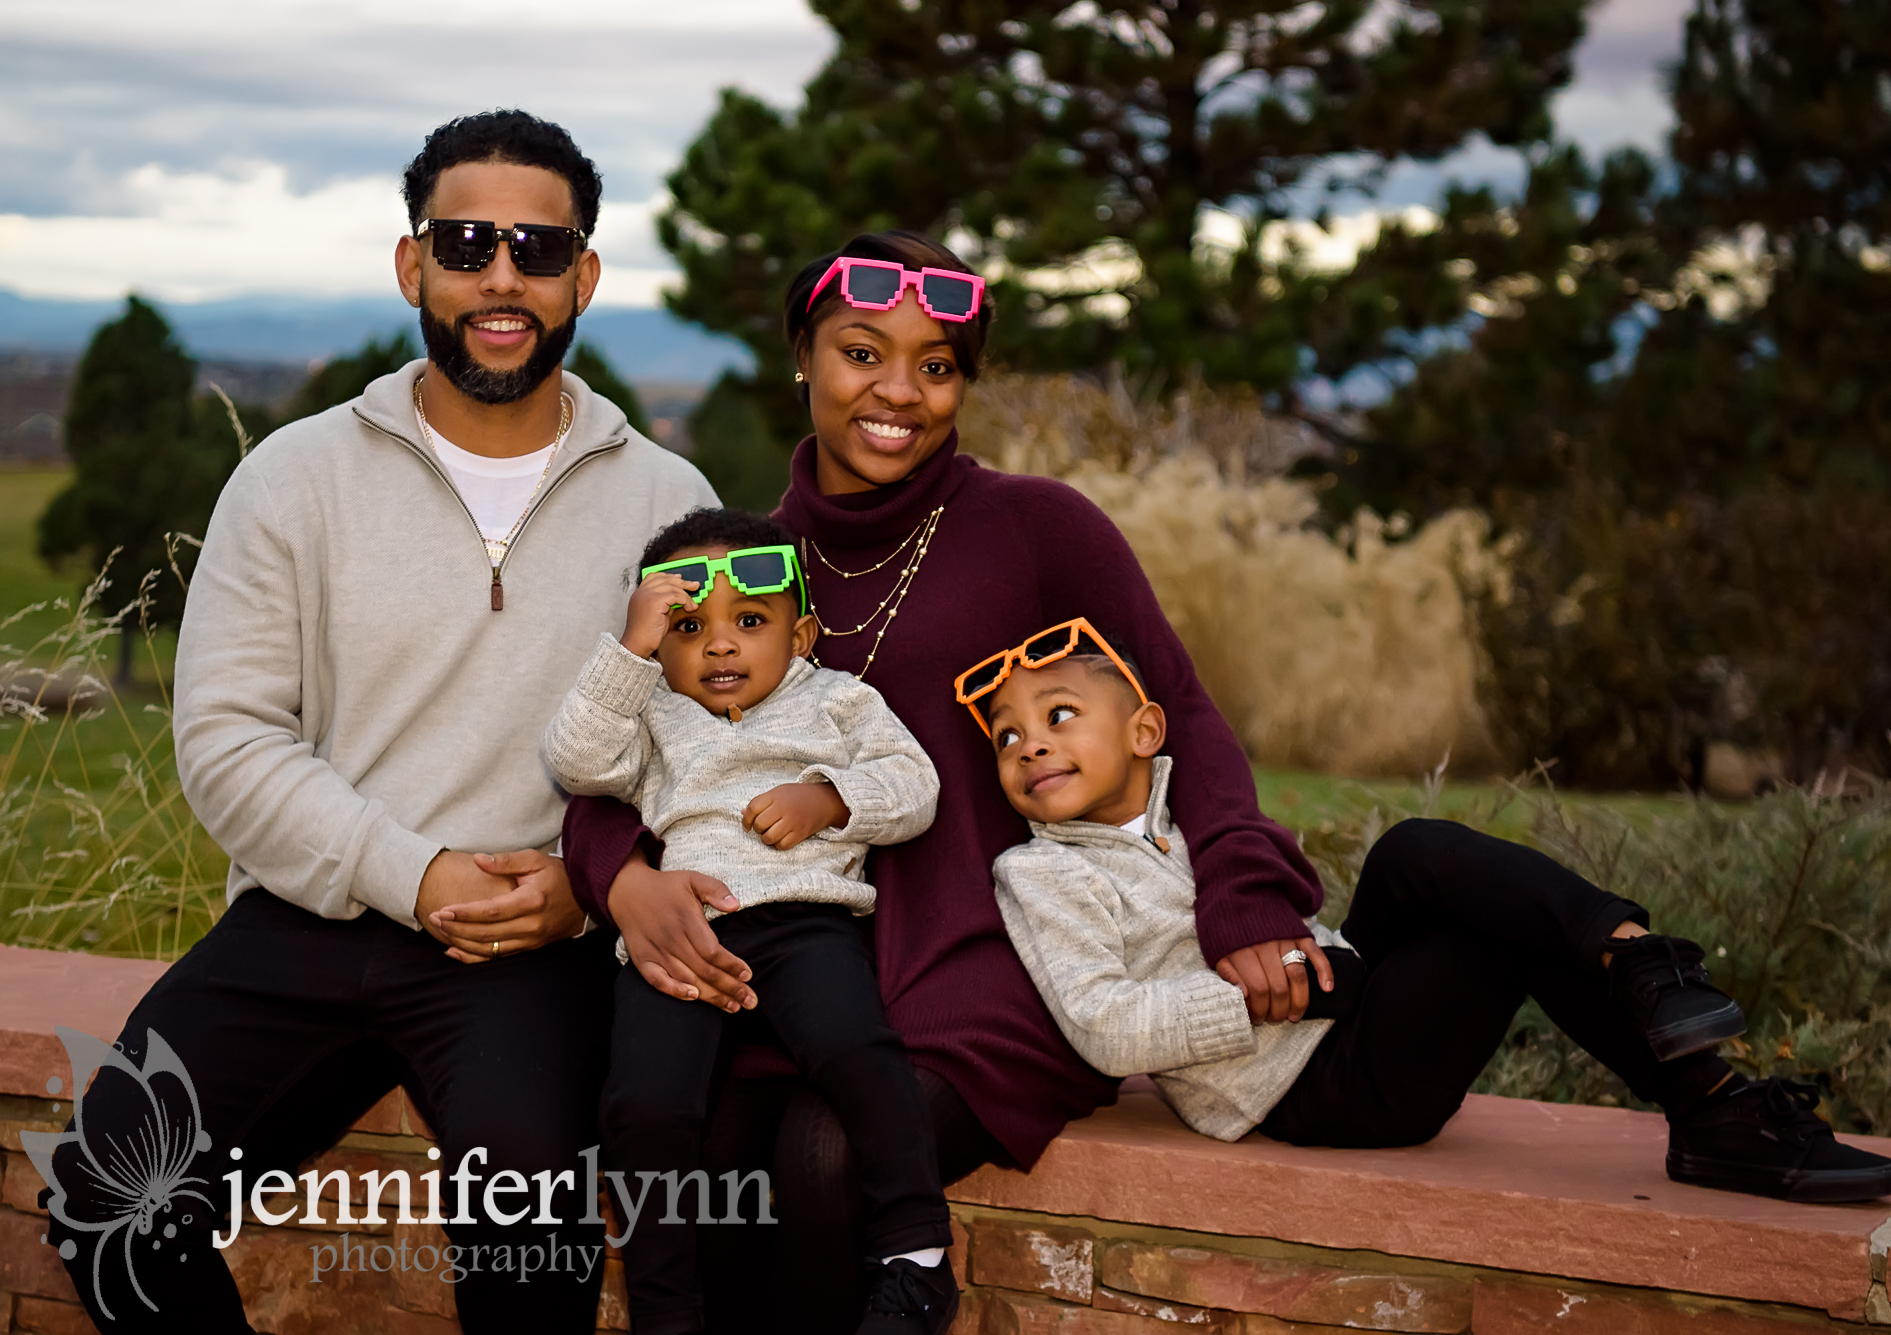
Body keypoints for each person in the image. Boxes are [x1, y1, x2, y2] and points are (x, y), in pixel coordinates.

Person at [559, 231, 1333, 1331]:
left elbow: (1182, 717)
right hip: (792, 948)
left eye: (936, 366)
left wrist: (1245, 897)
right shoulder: (743, 571)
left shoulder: (1036, 526)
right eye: (861, 352)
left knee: (825, 1155)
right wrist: (620, 883)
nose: (898, 393)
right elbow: (616, 759)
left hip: (996, 958)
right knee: (702, 1152)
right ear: (801, 357)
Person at [36, 110, 717, 1333]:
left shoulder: (669, 502)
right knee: (105, 1206)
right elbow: (231, 741)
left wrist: (585, 886)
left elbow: (704, 753)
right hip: (311, 913)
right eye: (465, 243)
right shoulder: (293, 476)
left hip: (533, 936)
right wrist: (411, 872)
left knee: (529, 1246)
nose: (500, 276)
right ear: (414, 266)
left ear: (584, 278)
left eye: (537, 248)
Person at [975, 618, 1891, 1202]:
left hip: (1342, 1006)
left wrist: (1313, 969)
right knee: (1492, 939)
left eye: (1059, 714)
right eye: (1008, 735)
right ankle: (1710, 1101)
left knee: (1415, 848)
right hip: (1311, 1091)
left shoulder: (1195, 816)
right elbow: (1103, 1024)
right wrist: (1263, 996)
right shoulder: (1040, 873)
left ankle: (1635, 956)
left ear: (1143, 732)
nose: (1029, 746)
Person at [541, 507, 957, 1334]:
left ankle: (915, 1253)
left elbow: (916, 785)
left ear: (800, 634)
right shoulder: (654, 713)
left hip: (808, 922)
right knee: (644, 1105)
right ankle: (667, 1307)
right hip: (684, 938)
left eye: (750, 622)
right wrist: (628, 654)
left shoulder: (840, 701)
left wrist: (832, 798)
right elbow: (577, 761)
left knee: (857, 1052)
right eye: (688, 629)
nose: (720, 645)